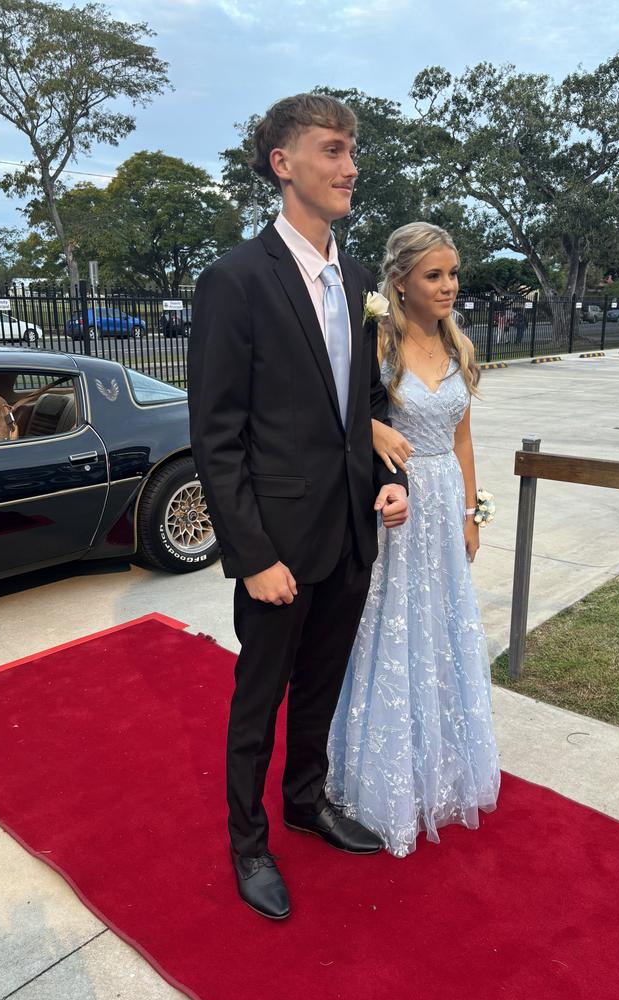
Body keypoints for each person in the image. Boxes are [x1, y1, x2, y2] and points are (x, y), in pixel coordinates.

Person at [187, 94, 408, 919]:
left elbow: (366, 408)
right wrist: (250, 556)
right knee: (260, 698)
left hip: (351, 532)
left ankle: (304, 801)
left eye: (352, 151)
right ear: (284, 164)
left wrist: (392, 480)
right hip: (275, 548)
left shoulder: (356, 281)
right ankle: (249, 844)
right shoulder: (234, 280)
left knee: (322, 687)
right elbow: (217, 437)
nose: (351, 166)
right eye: (333, 150)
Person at [327, 222, 500, 858]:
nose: (449, 286)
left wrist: (472, 514)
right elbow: (340, 414)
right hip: (395, 508)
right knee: (391, 629)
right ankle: (386, 775)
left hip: (445, 502)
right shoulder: (377, 343)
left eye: (453, 274)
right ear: (400, 281)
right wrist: (373, 431)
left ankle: (446, 765)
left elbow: (462, 440)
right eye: (435, 275)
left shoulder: (458, 345)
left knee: (444, 630)